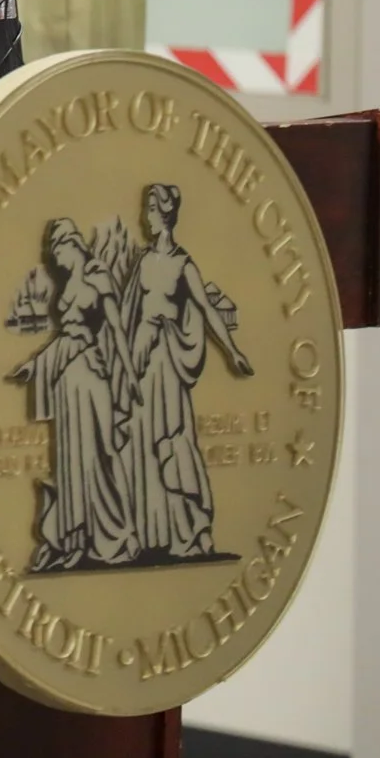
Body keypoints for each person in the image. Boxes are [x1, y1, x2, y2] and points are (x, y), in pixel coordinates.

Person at [123, 183, 252, 562]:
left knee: (170, 436)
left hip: (165, 361)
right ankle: (151, 534)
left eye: (148, 210)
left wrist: (232, 351)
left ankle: (187, 527)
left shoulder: (183, 264)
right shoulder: (143, 261)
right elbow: (127, 311)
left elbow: (208, 310)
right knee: (140, 440)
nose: (143, 217)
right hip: (141, 360)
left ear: (162, 214)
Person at [7, 218, 136, 572]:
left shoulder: (98, 276)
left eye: (57, 252)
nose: (54, 262)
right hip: (67, 380)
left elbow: (116, 329)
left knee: (103, 452)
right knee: (71, 458)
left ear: (72, 245)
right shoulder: (69, 284)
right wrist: (34, 367)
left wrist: (128, 374)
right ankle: (78, 538)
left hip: (92, 375)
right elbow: (64, 339)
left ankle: (117, 534)